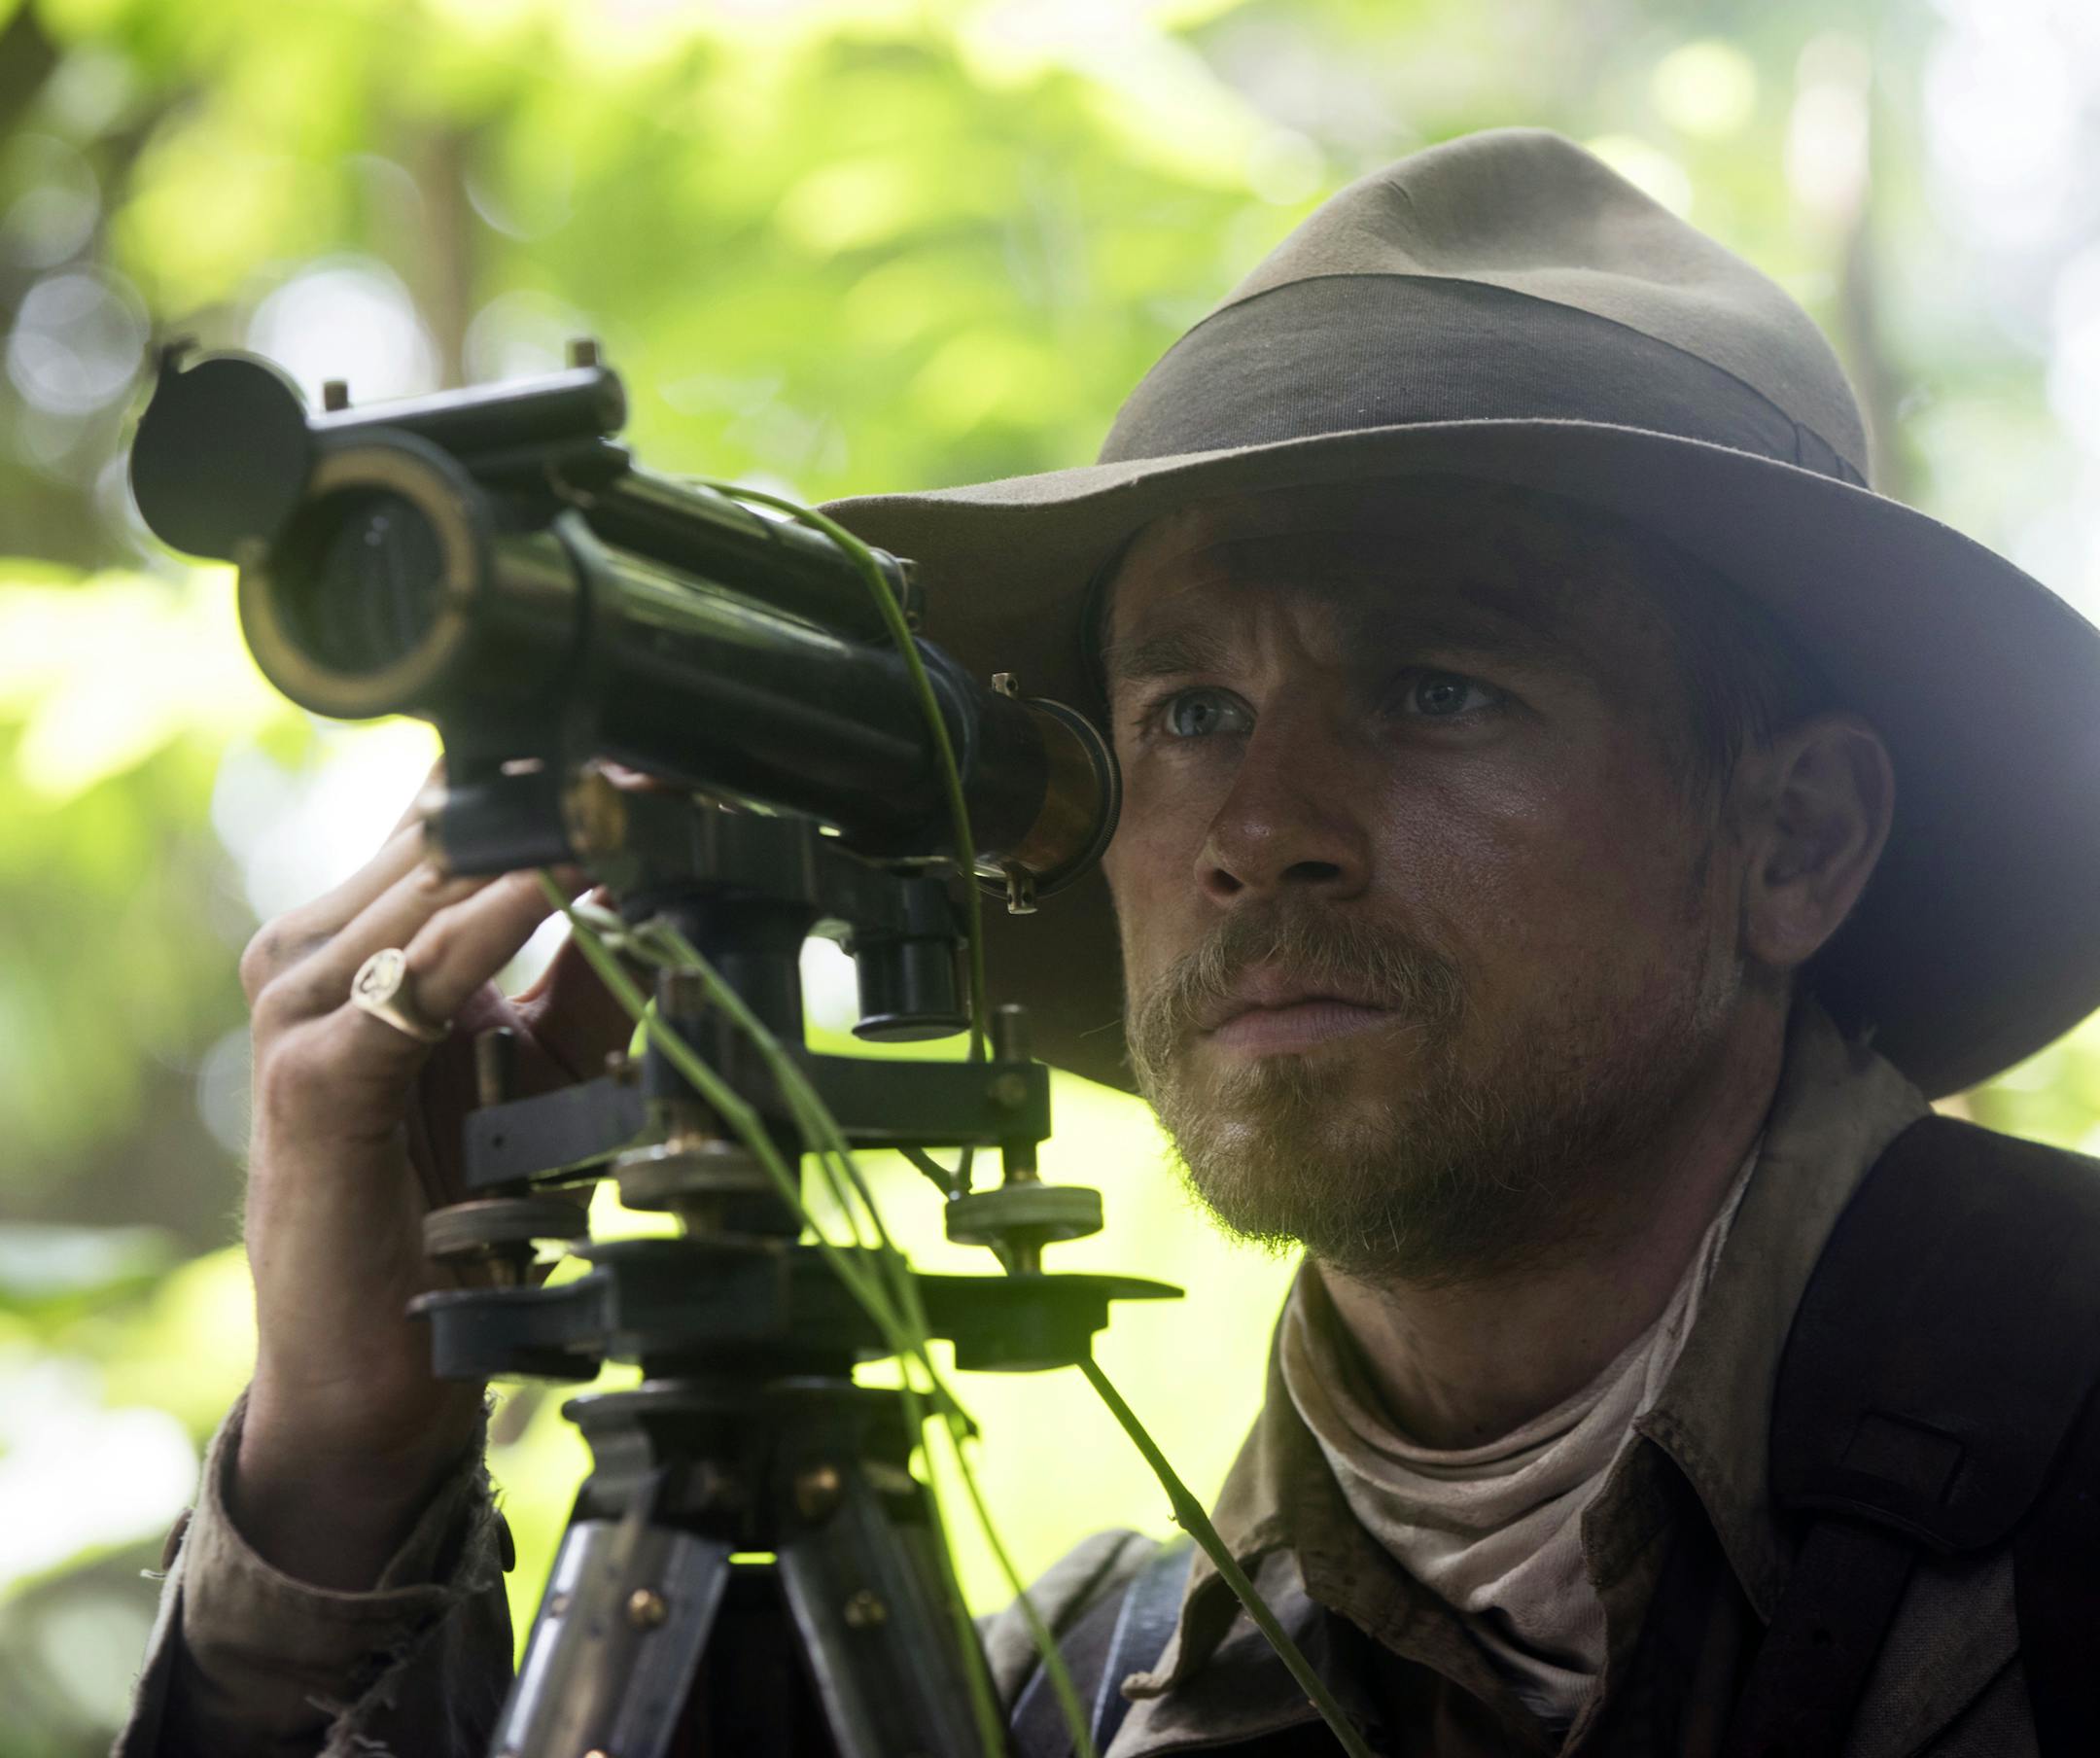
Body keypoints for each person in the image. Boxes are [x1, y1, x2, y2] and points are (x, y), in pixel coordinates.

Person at [117, 127, 2100, 1757]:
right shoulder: (1094, 1686)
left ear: (1799, 836)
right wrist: (334, 1472)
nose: (1257, 837)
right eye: (1188, 713)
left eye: (1436, 690)